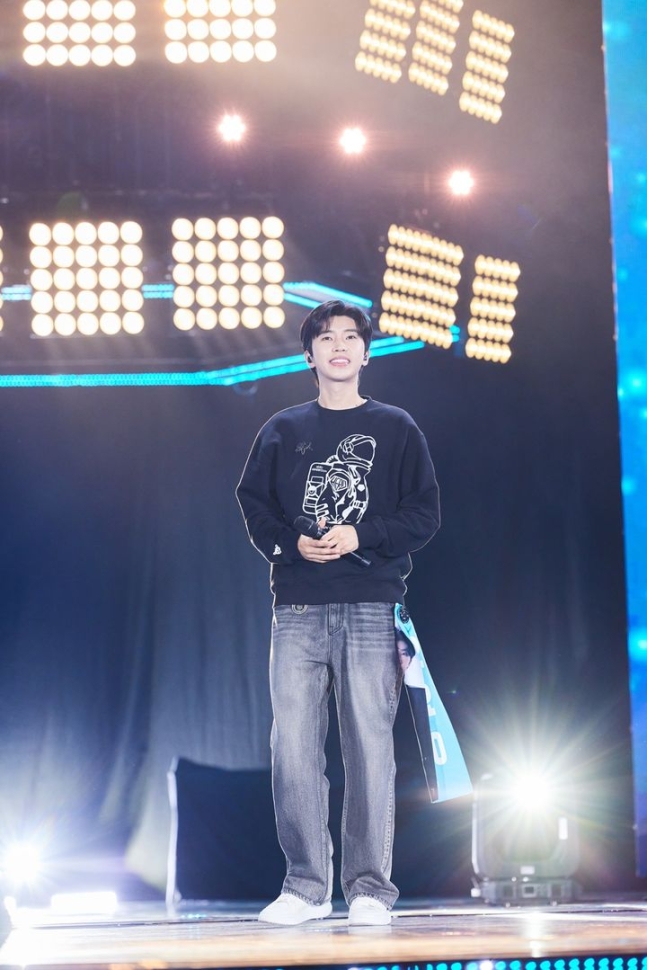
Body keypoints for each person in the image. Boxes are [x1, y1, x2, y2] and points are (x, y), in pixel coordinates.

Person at [236, 299, 440, 926]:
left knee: (370, 748)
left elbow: (424, 515)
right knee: (294, 748)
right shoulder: (283, 429)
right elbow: (253, 502)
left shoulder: (397, 427)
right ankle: (305, 888)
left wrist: (362, 534)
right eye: (327, 338)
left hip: (373, 604)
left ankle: (371, 890)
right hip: (298, 607)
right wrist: (289, 542)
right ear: (310, 355)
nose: (340, 347)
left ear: (367, 352)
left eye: (351, 337)